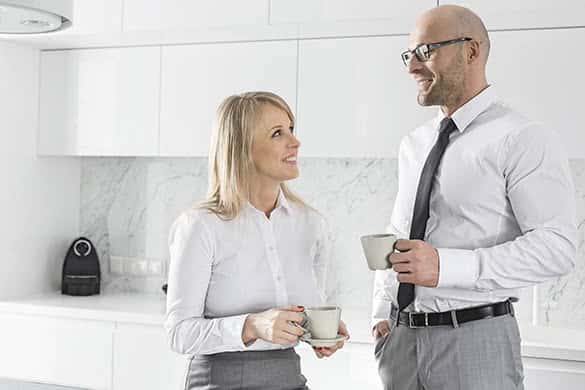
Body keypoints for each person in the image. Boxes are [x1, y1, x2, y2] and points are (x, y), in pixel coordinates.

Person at [372, 5, 576, 390]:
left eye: (426, 51)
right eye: (409, 54)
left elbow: (557, 247)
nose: (412, 67)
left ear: (471, 50)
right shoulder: (414, 145)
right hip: (400, 345)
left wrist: (446, 267)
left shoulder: (521, 138)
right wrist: (382, 313)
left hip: (474, 341)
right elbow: (398, 231)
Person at [165, 91, 349, 390]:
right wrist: (252, 325)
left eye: (292, 129)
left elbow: (309, 309)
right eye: (278, 133)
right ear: (242, 149)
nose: (295, 142)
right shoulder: (201, 226)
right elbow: (180, 333)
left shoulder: (311, 224)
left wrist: (318, 332)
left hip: (290, 379)